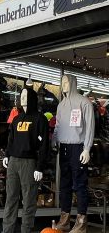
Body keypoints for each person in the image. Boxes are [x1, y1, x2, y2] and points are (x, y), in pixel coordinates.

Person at [2, 88, 50, 233]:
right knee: (10, 199)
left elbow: (44, 145)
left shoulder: (40, 119)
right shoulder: (16, 119)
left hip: (29, 163)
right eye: (21, 95)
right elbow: (11, 140)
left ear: (31, 98)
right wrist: (7, 154)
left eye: (25, 95)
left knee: (28, 201)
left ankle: (26, 230)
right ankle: (7, 230)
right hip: (13, 162)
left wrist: (40, 167)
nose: (22, 98)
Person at [53, 75, 95, 232]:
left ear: (72, 83)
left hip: (78, 147)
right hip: (64, 147)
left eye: (65, 82)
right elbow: (57, 125)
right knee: (65, 185)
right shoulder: (61, 105)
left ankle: (81, 221)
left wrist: (87, 148)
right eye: (62, 82)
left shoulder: (84, 103)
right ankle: (65, 219)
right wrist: (54, 141)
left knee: (80, 184)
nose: (63, 85)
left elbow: (90, 126)